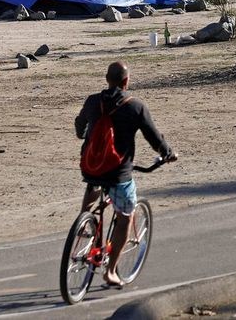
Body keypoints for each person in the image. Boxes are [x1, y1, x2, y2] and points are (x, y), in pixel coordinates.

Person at [75, 61, 175, 288]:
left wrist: (84, 134)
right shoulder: (135, 106)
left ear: (106, 79)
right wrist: (167, 153)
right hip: (119, 172)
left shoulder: (92, 101)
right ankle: (110, 271)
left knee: (95, 182)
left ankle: (83, 221)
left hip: (90, 166)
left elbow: (79, 125)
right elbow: (155, 139)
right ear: (126, 81)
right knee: (125, 218)